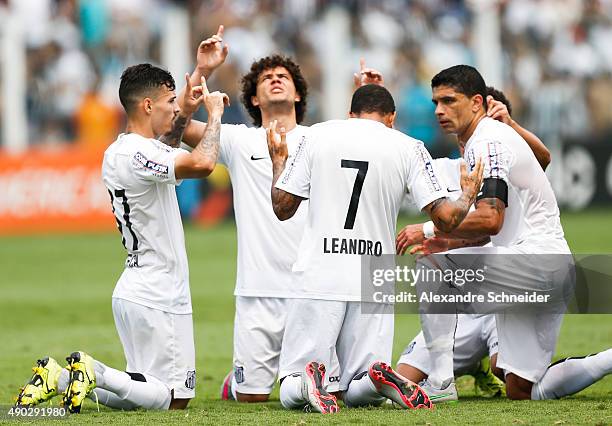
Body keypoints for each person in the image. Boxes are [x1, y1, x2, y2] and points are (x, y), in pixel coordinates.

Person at [178, 28, 383, 403]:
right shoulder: (239, 141)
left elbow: (376, 146)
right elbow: (173, 126)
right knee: (250, 398)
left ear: (298, 93)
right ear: (254, 98)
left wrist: (369, 100)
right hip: (258, 289)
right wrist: (200, 70)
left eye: (283, 76)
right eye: (265, 78)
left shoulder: (322, 138)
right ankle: (235, 382)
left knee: (330, 390)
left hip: (317, 289)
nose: (274, 79)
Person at [14, 63, 229, 412]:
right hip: (159, 291)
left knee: (139, 391)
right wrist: (214, 114)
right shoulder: (138, 153)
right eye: (170, 101)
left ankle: (61, 378)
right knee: (171, 398)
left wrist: (199, 76)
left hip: (136, 287)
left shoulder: (123, 151)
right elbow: (203, 165)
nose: (176, 108)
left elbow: (167, 145)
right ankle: (94, 371)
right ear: (147, 105)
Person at [266, 84, 484, 413]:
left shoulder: (318, 135)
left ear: (350, 114)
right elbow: (446, 219)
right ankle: (376, 378)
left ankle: (305, 380)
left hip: (321, 270)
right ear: (392, 118)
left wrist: (278, 162)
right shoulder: (409, 146)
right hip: (375, 274)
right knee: (358, 385)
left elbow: (282, 208)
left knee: (291, 381)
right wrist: (467, 195)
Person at [405, 64, 612, 402]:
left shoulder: (487, 142)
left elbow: (490, 220)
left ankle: (440, 383)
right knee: (522, 389)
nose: (440, 110)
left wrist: (428, 228)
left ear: (476, 103)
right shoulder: (494, 137)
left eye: (449, 100)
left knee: (433, 266)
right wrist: (448, 236)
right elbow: (540, 163)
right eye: (435, 103)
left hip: (535, 262)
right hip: (549, 268)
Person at [395, 86, 550, 397]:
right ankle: (461, 368)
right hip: (459, 307)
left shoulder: (510, 165)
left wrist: (512, 125)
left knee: (512, 380)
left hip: (501, 296)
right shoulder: (440, 170)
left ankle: (472, 369)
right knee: (404, 377)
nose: (441, 110)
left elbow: (543, 161)